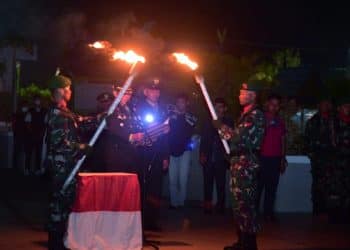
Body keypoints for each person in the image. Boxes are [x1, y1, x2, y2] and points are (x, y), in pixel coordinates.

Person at [200, 78, 265, 250]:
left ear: (253, 95)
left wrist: (220, 126)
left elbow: (237, 137)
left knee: (246, 205)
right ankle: (242, 241)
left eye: (244, 93)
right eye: (240, 92)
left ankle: (250, 245)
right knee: (238, 205)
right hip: (239, 162)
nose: (240, 95)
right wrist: (232, 154)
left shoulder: (255, 115)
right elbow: (238, 141)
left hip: (246, 166)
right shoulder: (245, 114)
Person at [45, 75, 100, 250]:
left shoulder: (66, 112)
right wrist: (81, 147)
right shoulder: (58, 115)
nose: (70, 91)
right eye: (68, 88)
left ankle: (60, 242)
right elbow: (59, 144)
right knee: (59, 208)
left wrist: (98, 118)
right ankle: (55, 245)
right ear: (61, 91)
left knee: (65, 206)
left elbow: (80, 122)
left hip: (67, 166)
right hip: (61, 168)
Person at [135, 78, 170, 231]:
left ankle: (153, 220)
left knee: (156, 187)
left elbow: (166, 135)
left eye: (158, 90)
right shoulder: (139, 109)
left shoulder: (163, 110)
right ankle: (142, 220)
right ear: (146, 92)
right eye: (152, 90)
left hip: (159, 152)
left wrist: (165, 156)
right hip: (143, 153)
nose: (156, 93)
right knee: (144, 185)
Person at [200, 97, 233, 214]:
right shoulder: (208, 120)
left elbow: (230, 139)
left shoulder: (228, 122)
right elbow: (203, 138)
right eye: (216, 106)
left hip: (221, 158)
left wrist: (229, 155)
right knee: (207, 183)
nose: (217, 109)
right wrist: (202, 153)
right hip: (208, 156)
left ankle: (220, 207)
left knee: (221, 183)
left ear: (225, 108)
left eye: (220, 107)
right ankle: (207, 207)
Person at [256, 94, 287, 222]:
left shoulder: (280, 121)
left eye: (277, 105)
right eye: (272, 104)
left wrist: (282, 158)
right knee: (257, 188)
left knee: (272, 188)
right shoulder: (259, 118)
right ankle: (253, 214)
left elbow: (283, 139)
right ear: (267, 104)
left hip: (275, 159)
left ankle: (268, 213)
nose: (274, 107)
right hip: (261, 158)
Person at [304, 96, 336, 215]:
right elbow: (307, 141)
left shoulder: (334, 121)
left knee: (333, 186)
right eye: (324, 103)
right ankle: (318, 210)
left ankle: (331, 211)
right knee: (318, 186)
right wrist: (313, 155)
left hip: (333, 160)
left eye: (328, 103)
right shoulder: (313, 121)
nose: (326, 105)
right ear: (319, 105)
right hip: (318, 160)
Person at [105, 85, 144, 173]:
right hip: (117, 153)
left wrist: (139, 136)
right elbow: (114, 127)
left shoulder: (130, 108)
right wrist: (131, 136)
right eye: (125, 93)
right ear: (115, 93)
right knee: (118, 183)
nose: (127, 96)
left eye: (130, 93)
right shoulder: (111, 107)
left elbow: (134, 125)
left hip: (130, 152)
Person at [168, 93, 197, 209]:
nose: (180, 104)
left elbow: (191, 124)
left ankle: (181, 202)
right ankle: (174, 203)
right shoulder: (170, 116)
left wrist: (180, 114)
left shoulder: (191, 117)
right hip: (171, 150)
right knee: (172, 179)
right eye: (178, 102)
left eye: (183, 102)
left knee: (183, 179)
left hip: (185, 150)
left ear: (187, 103)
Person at [326, 96, 350, 223]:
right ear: (339, 108)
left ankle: (345, 214)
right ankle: (334, 215)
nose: (348, 108)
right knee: (335, 189)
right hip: (336, 163)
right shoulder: (334, 122)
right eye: (346, 106)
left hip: (347, 164)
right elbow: (335, 142)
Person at [27, 95, 47, 175]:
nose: (38, 102)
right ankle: (27, 168)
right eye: (36, 100)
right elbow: (27, 123)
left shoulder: (44, 111)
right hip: (31, 135)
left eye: (39, 100)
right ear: (34, 101)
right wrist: (31, 132)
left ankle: (38, 169)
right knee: (29, 152)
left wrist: (42, 133)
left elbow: (45, 123)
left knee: (39, 153)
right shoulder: (30, 111)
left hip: (40, 135)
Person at [12, 100, 31, 174]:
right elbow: (14, 124)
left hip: (23, 135)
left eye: (26, 106)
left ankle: (22, 168)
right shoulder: (17, 114)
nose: (25, 107)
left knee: (23, 152)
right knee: (18, 152)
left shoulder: (27, 114)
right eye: (24, 106)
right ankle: (16, 167)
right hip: (19, 135)